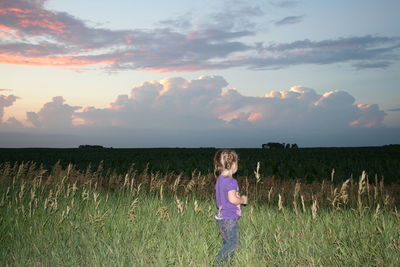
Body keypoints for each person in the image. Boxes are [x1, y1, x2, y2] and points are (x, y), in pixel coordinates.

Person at [213, 149, 248, 266]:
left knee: (227, 242)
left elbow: (226, 197)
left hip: (221, 217)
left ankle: (230, 263)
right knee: (233, 242)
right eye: (236, 162)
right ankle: (217, 262)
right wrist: (242, 199)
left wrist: (235, 195)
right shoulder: (231, 181)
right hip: (229, 218)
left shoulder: (219, 180)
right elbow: (233, 200)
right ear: (232, 165)